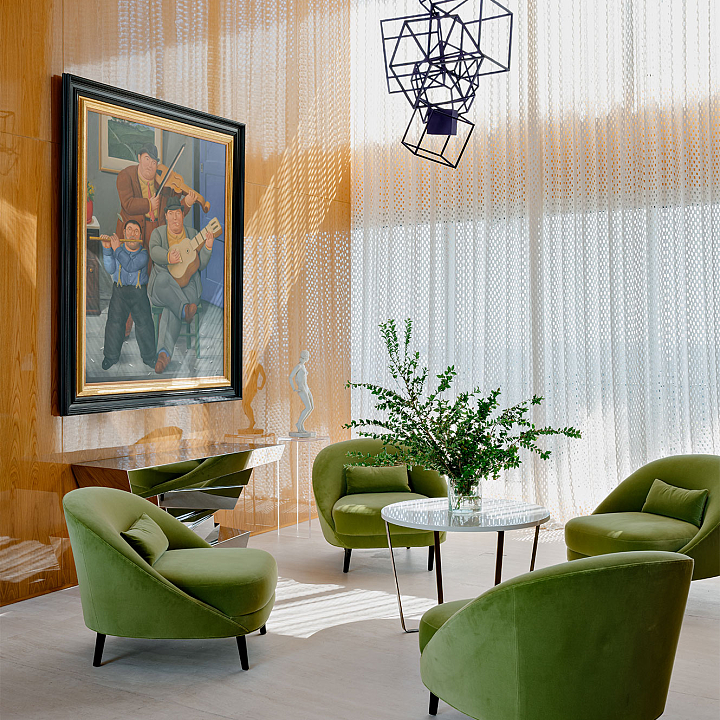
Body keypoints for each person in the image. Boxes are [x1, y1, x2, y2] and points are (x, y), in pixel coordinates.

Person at [148, 197, 215, 374]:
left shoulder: (193, 234)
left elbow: (200, 265)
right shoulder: (158, 233)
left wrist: (207, 248)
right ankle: (185, 311)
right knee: (165, 282)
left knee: (175, 305)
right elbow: (153, 251)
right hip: (162, 286)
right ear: (166, 216)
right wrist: (168, 257)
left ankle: (163, 354)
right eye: (171, 214)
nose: (175, 218)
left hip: (188, 286)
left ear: (183, 215)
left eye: (178, 213)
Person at [100, 220, 157, 371]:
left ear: (140, 236)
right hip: (119, 291)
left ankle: (149, 357)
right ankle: (110, 356)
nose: (132, 234)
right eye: (129, 230)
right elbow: (110, 269)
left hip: (139, 293)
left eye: (136, 231)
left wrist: (116, 249)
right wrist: (107, 250)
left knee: (145, 324)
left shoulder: (143, 254)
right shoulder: (117, 250)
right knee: (114, 323)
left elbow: (131, 266)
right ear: (124, 233)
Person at [288, 350, 315, 436]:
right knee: (308, 407)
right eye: (308, 356)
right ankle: (299, 424)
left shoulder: (303, 366)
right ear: (305, 357)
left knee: (312, 407)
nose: (308, 357)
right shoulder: (299, 366)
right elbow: (290, 377)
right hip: (302, 389)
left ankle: (301, 425)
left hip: (307, 388)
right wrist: (294, 388)